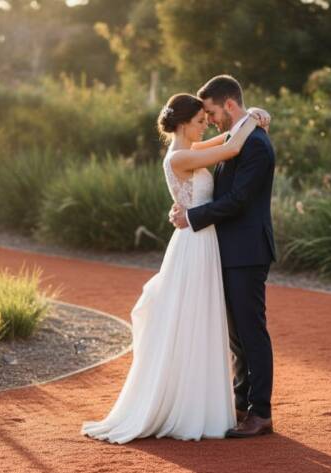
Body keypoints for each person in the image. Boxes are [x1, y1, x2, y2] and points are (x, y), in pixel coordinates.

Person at [81, 91, 270, 443]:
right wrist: (253, 120)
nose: (205, 125)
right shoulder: (181, 155)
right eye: (200, 121)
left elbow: (226, 139)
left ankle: (212, 401)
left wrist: (250, 116)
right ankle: (188, 404)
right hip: (195, 245)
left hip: (202, 241)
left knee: (204, 321)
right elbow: (229, 149)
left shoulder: (189, 149)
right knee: (194, 320)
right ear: (184, 124)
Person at [169, 75, 277, 438]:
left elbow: (238, 201)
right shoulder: (236, 138)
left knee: (251, 333)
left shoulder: (256, 145)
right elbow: (222, 153)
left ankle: (260, 413)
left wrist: (191, 216)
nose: (210, 119)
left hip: (247, 251)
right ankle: (241, 404)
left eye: (212, 112)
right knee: (236, 338)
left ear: (229, 105)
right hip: (226, 250)